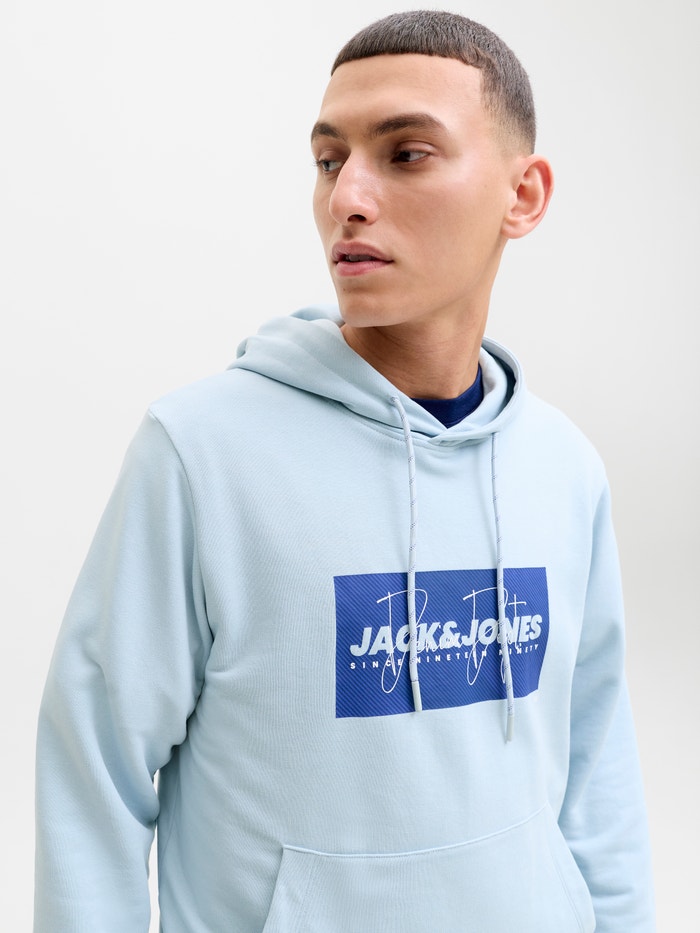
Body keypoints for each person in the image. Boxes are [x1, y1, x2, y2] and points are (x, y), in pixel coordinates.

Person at [34, 9, 655, 932]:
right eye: (330, 160)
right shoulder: (200, 452)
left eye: (406, 154)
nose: (347, 198)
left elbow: (598, 778)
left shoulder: (563, 467)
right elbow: (94, 779)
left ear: (522, 196)